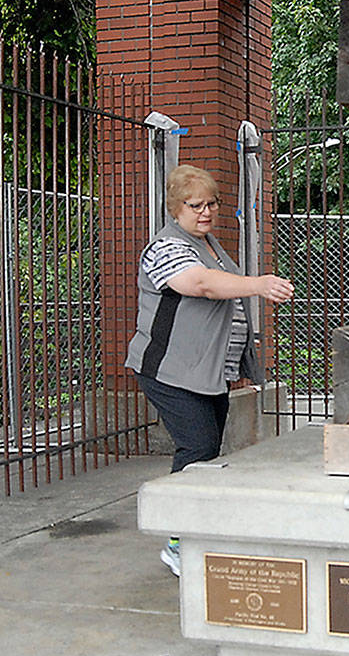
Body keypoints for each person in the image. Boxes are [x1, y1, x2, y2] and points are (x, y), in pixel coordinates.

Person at [125, 164, 293, 576]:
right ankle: (178, 542)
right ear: (175, 208)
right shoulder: (165, 248)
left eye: (211, 203)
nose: (205, 212)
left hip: (206, 373)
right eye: (195, 205)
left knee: (207, 450)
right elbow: (199, 284)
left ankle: (194, 531)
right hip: (169, 370)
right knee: (197, 447)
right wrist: (259, 283)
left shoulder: (212, 244)